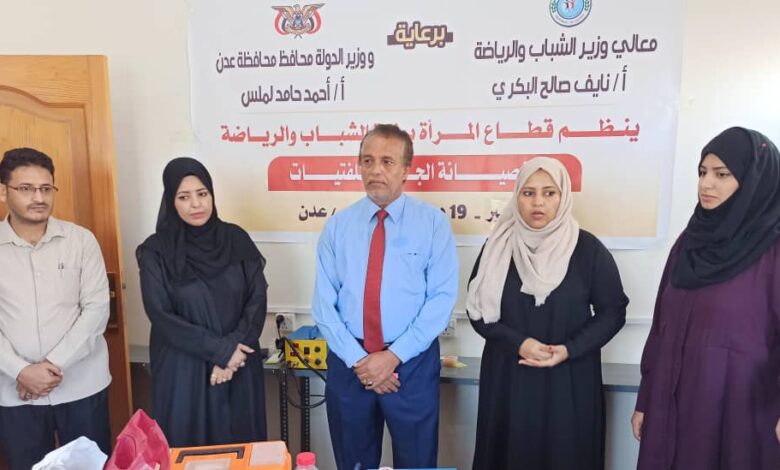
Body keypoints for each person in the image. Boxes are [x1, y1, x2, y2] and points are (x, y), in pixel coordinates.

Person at [312, 124, 458, 469]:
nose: (375, 170)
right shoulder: (337, 227)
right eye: (368, 160)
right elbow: (323, 305)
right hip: (350, 364)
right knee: (354, 463)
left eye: (387, 161)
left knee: (416, 462)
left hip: (411, 363)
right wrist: (361, 363)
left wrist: (392, 357)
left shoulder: (433, 224)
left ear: (406, 169)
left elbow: (441, 299)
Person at [632, 127, 780, 469]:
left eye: (722, 174)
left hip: (744, 412)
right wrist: (646, 399)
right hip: (674, 405)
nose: (706, 184)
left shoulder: (773, 250)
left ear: (754, 179)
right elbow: (660, 328)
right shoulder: (689, 244)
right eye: (702, 172)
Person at [467, 157, 628, 470]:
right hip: (508, 378)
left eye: (549, 193)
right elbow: (478, 313)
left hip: (568, 382)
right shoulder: (497, 247)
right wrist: (519, 343)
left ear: (563, 196)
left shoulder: (587, 250)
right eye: (528, 193)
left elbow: (613, 312)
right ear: (517, 197)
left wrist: (569, 349)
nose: (538, 202)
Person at [136, 157, 267, 447]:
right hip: (184, 371)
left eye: (202, 193)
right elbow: (160, 313)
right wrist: (220, 351)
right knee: (189, 448)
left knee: (242, 447)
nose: (196, 204)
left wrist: (231, 353)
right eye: (184, 197)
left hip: (239, 364)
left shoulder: (236, 239)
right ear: (171, 201)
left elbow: (257, 299)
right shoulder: (156, 251)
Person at [0, 148, 111, 469]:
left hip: (82, 386)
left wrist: (51, 366)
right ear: (4, 192)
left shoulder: (81, 241)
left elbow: (96, 309)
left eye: (46, 188)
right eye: (26, 188)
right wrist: (21, 371)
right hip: (14, 391)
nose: (39, 197)